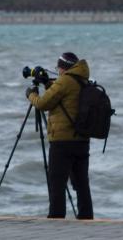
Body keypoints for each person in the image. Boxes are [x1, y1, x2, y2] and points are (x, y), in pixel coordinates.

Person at [25, 51, 94, 219]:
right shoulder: (83, 80)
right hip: (82, 140)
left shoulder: (64, 82)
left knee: (57, 184)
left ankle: (56, 221)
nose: (58, 71)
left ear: (63, 68)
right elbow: (64, 97)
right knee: (81, 184)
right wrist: (48, 83)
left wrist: (31, 95)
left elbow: (43, 103)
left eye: (58, 68)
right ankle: (86, 219)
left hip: (62, 142)